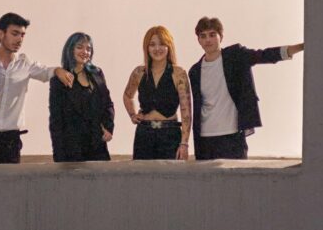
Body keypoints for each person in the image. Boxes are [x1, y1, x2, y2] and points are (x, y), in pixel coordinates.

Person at [0, 11, 74, 164]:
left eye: (22, 35)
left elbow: (46, 71)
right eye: (15, 33)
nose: (19, 39)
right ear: (1, 34)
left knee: (10, 185)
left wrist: (58, 70)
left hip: (11, 139)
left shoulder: (25, 64)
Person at [188, 16, 303, 161]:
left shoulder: (235, 56)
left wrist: (301, 46)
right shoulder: (194, 71)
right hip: (204, 138)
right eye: (203, 36)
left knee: (235, 182)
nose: (208, 40)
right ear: (198, 40)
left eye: (212, 35)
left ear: (221, 37)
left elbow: (264, 55)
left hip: (232, 136)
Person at [123, 26, 192, 160]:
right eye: (152, 44)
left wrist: (184, 143)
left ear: (169, 46)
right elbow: (127, 95)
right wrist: (132, 114)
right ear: (146, 48)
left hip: (170, 133)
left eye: (162, 44)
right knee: (142, 178)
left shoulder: (179, 73)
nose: (157, 49)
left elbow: (186, 110)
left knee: (170, 179)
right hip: (144, 134)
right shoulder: (139, 72)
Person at [49, 32, 115, 162]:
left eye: (88, 49)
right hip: (72, 150)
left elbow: (108, 103)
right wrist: (59, 156)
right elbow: (56, 121)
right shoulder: (59, 80)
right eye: (80, 47)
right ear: (70, 49)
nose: (85, 52)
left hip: (97, 145)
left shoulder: (97, 73)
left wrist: (108, 127)